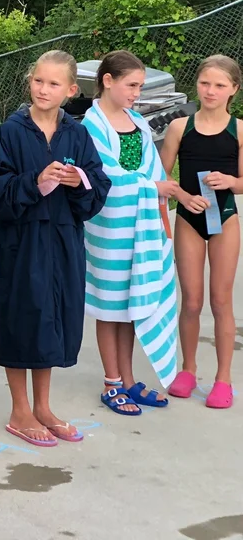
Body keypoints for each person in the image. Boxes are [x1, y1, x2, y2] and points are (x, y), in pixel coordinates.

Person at [0, 50, 110, 447]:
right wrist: (34, 183)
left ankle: (43, 406)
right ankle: (20, 409)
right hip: (21, 241)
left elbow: (97, 184)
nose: (43, 89)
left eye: (54, 83)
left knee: (53, 316)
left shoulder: (76, 133)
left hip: (62, 239)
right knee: (22, 315)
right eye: (38, 80)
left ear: (71, 90)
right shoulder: (12, 132)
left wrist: (79, 182)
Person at [82, 51, 179, 415]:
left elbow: (153, 170)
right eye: (132, 85)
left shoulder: (136, 122)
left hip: (143, 230)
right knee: (110, 309)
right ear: (108, 81)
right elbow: (103, 176)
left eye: (139, 86)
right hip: (109, 231)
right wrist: (152, 188)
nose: (137, 93)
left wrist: (161, 212)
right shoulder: (90, 126)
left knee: (132, 305)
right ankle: (111, 383)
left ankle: (128, 378)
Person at [161, 54, 242, 409]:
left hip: (224, 218)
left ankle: (223, 378)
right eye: (205, 83)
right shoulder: (181, 127)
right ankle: (188, 369)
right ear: (196, 84)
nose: (210, 91)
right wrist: (180, 195)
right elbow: (162, 177)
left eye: (219, 85)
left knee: (221, 300)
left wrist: (230, 181)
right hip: (189, 220)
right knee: (191, 300)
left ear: (233, 91)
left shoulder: (239, 130)